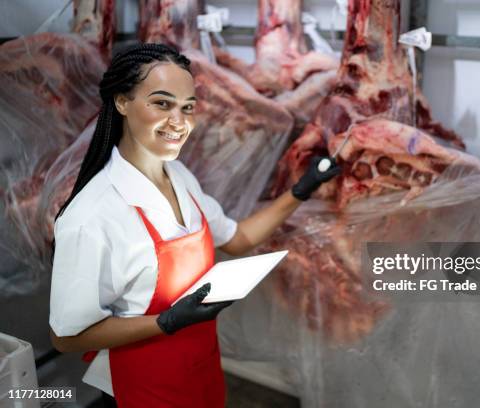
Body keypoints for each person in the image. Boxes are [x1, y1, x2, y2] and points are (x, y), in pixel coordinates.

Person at [49, 43, 340, 408]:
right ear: (122, 102)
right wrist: (165, 322)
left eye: (188, 107)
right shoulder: (93, 213)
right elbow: (66, 336)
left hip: (200, 371)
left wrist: (302, 189)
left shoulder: (180, 176)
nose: (180, 121)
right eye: (162, 103)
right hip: (142, 386)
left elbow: (238, 239)